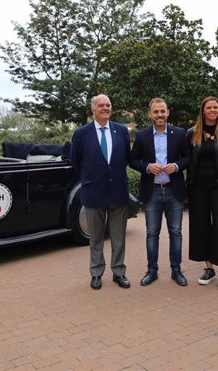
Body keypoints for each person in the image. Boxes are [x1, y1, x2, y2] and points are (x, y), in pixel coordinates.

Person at [70, 94, 132, 290]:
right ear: (93, 109)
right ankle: (96, 273)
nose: (105, 108)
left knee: (118, 237)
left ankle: (119, 272)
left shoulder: (121, 131)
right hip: (94, 192)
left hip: (118, 192)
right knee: (95, 237)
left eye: (108, 105)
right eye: (101, 105)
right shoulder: (81, 134)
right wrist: (90, 179)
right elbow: (76, 162)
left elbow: (126, 158)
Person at [130, 98, 190, 287]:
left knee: (176, 232)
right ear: (150, 114)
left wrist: (176, 166)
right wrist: (147, 167)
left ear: (168, 112)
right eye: (156, 112)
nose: (159, 115)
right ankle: (152, 271)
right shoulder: (142, 136)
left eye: (162, 111)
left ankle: (176, 270)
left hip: (174, 191)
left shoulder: (180, 134)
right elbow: (132, 160)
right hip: (152, 191)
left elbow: (189, 157)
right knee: (152, 233)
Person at [186, 96, 218, 291]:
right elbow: (188, 159)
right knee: (201, 226)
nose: (213, 110)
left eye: (215, 107)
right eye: (209, 107)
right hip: (198, 187)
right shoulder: (192, 133)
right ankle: (209, 268)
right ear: (203, 110)